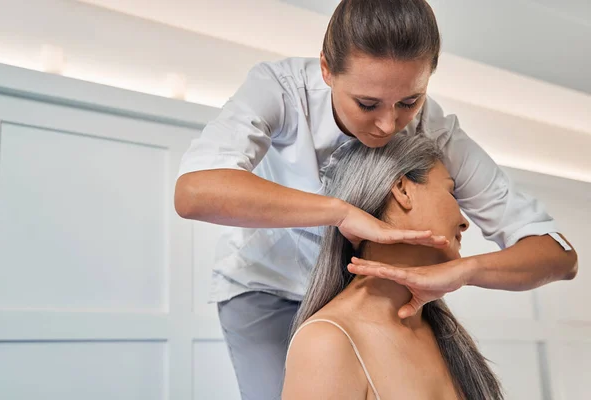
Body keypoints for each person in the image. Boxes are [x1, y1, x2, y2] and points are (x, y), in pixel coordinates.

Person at [174, 0, 578, 398]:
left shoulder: (435, 131)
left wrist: (465, 271)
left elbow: (558, 254)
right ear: (326, 69)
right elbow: (194, 192)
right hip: (267, 285)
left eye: (409, 102)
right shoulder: (280, 89)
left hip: (362, 287)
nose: (388, 124)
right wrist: (339, 212)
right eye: (367, 104)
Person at [283, 133, 503, 400]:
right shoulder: (327, 342)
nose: (464, 221)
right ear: (402, 189)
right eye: (450, 191)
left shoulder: (442, 331)